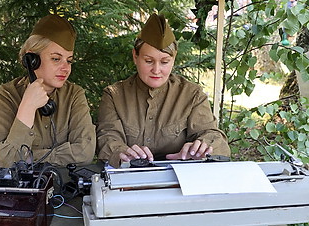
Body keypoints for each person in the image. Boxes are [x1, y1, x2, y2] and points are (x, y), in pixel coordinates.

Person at [96, 13, 230, 168]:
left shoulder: (191, 95)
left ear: (174, 59)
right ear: (135, 56)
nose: (156, 70)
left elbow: (215, 137)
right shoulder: (114, 96)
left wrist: (200, 148)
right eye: (148, 61)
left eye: (165, 62)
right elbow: (107, 138)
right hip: (129, 179)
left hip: (180, 180)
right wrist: (121, 152)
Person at [0, 14, 96, 168]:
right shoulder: (4, 97)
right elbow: (5, 161)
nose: (66, 68)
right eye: (56, 59)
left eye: (69, 60)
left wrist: (27, 159)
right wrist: (27, 107)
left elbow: (85, 152)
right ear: (32, 59)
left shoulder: (74, 95)